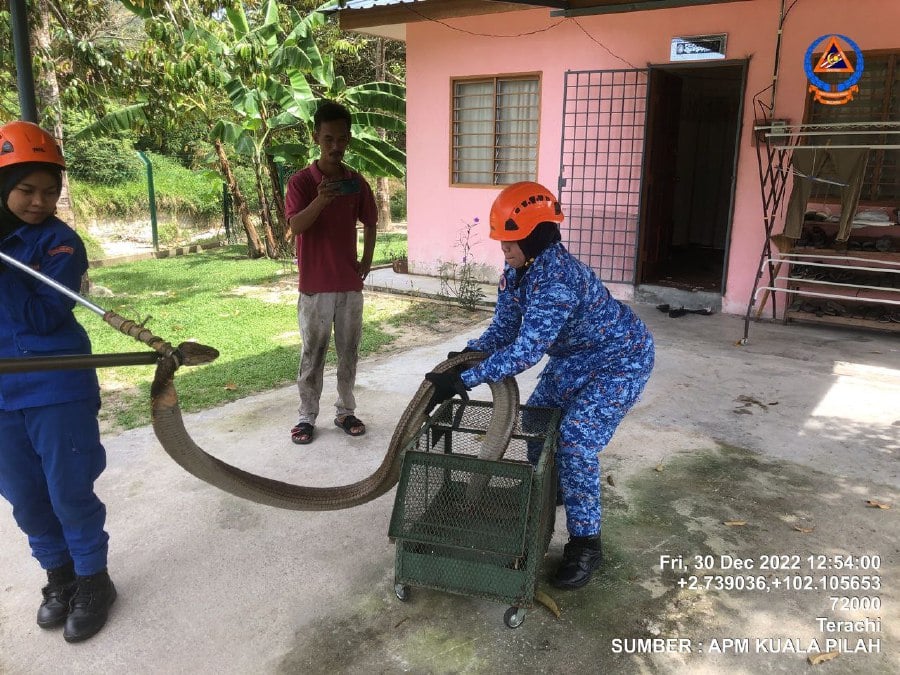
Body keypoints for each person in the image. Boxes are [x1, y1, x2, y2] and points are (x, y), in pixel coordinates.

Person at [425, 181, 655, 589]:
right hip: (574, 359)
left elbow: (526, 352)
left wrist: (467, 379)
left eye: (512, 241)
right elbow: (504, 328)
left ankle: (586, 544)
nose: (504, 249)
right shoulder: (518, 271)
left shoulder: (557, 280)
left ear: (538, 236)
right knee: (534, 424)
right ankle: (558, 490)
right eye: (502, 242)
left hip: (620, 360)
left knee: (575, 441)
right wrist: (465, 355)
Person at [0, 120, 116, 641]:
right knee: (25, 495)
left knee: (69, 490)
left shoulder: (61, 246)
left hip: (55, 384)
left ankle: (94, 578)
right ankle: (60, 576)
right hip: (2, 395)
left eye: (50, 191)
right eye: (26, 190)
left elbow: (45, 316)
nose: (39, 201)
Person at [284, 101, 377, 445]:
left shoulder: (356, 182)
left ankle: (345, 411)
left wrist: (366, 260)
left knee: (349, 352)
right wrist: (321, 200)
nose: (335, 146)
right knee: (313, 354)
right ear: (316, 138)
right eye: (328, 139)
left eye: (341, 139)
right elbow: (296, 225)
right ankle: (306, 417)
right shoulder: (301, 183)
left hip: (349, 286)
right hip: (315, 286)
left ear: (349, 139)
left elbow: (370, 222)